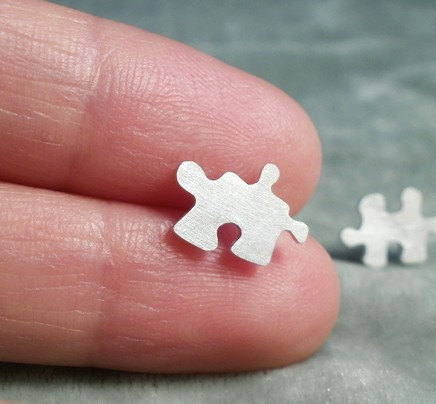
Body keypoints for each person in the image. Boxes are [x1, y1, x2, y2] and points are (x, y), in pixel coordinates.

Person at [0, 0, 339, 373]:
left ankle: (237, 237)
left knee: (243, 239)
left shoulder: (242, 201)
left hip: (250, 213)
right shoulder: (224, 195)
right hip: (239, 208)